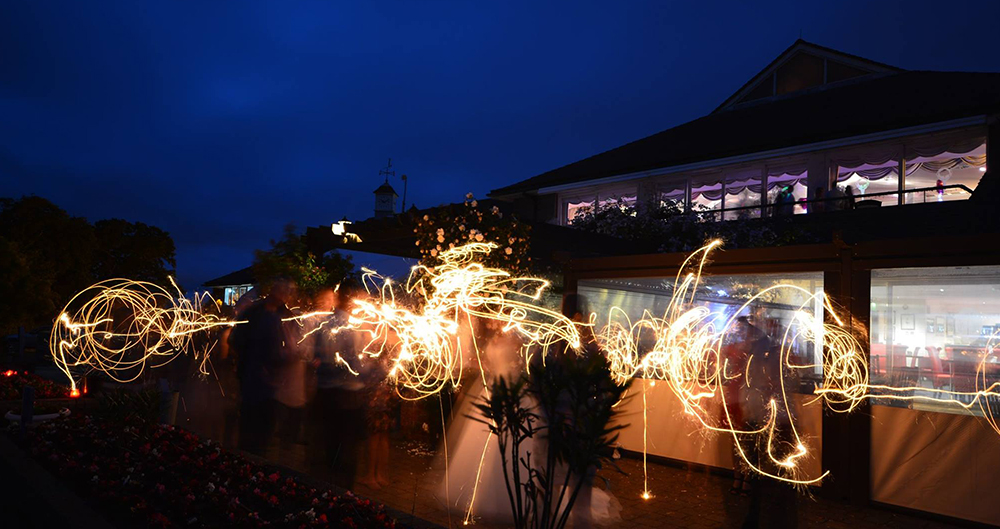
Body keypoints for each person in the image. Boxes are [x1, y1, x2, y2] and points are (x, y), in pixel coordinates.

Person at [230, 278, 297, 456]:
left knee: (259, 433)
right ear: (278, 293)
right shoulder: (260, 315)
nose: (287, 297)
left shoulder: (277, 314)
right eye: (286, 293)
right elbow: (237, 341)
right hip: (257, 382)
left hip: (265, 383)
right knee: (255, 434)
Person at [311, 281, 368, 489]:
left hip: (326, 392)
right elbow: (356, 365)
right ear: (351, 300)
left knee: (331, 442)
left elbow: (316, 358)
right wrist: (373, 369)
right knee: (348, 446)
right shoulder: (351, 328)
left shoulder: (323, 324)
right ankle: (345, 494)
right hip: (348, 395)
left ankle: (328, 488)